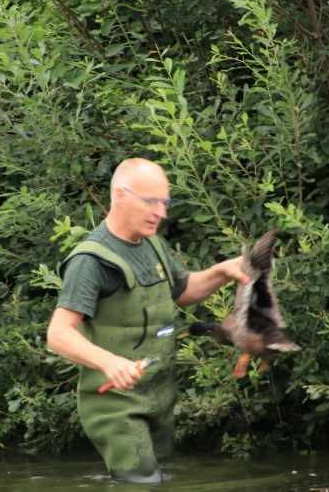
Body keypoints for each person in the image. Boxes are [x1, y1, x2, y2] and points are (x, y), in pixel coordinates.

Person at [46, 158, 250, 483]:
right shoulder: (90, 260)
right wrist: (109, 361)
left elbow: (183, 291)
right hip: (116, 407)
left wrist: (223, 271)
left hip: (158, 398)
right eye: (151, 201)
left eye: (165, 202)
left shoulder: (153, 243)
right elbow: (57, 334)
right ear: (120, 197)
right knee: (141, 483)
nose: (161, 212)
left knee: (163, 480)